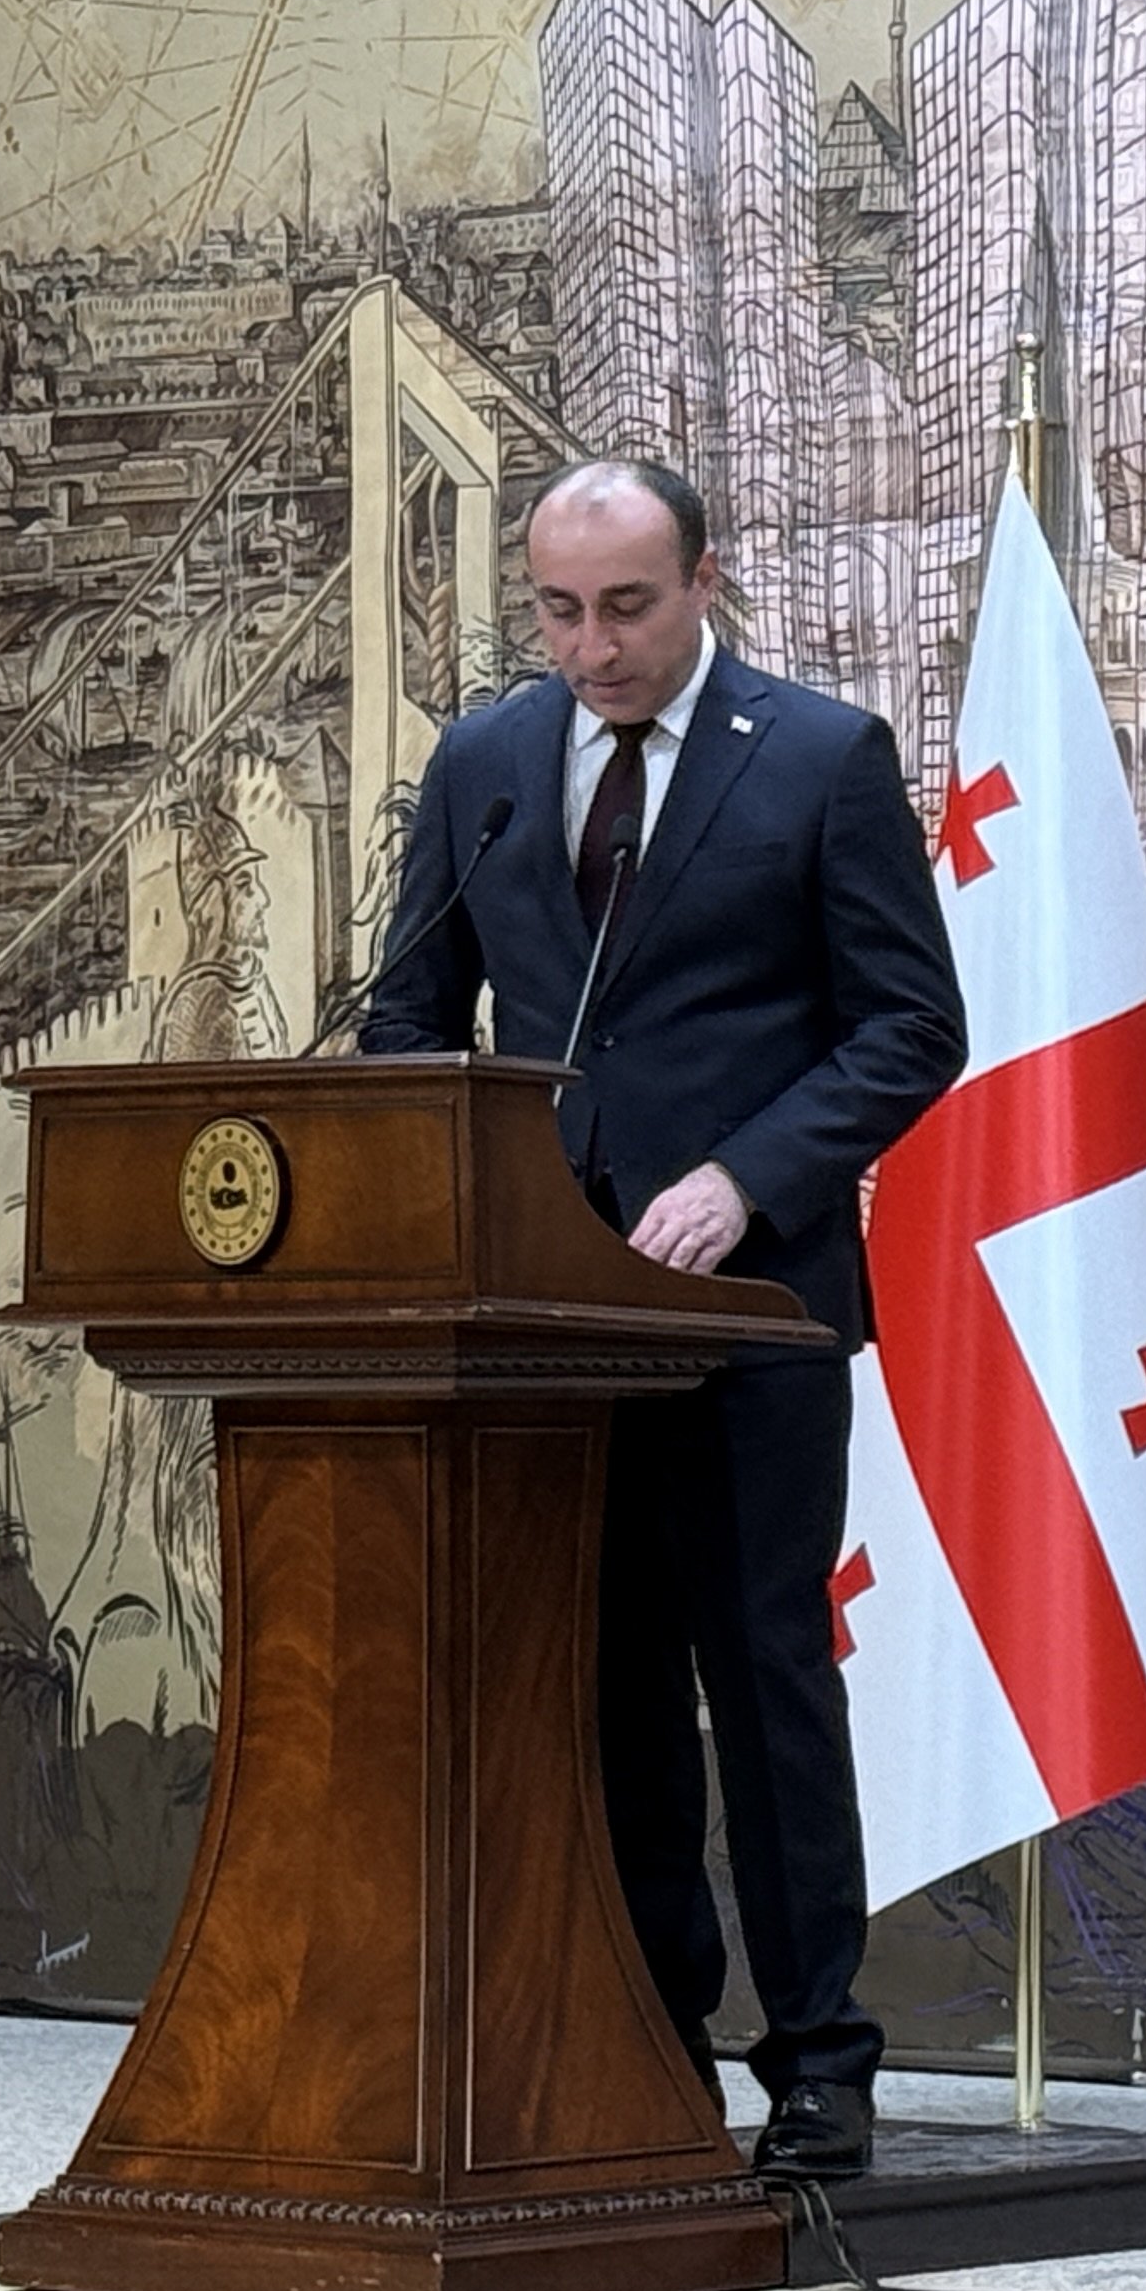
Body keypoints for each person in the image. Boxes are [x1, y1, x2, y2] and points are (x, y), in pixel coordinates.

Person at [365, 459, 965, 2177]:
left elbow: (912, 1028)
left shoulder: (823, 760)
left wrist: (748, 1176)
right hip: (550, 1320)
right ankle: (646, 2041)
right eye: (559, 611)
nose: (593, 647)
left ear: (704, 579)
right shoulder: (484, 768)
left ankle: (823, 2064)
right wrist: (477, 1190)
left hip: (753, 1309)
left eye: (627, 607)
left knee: (761, 1675)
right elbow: (410, 1022)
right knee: (607, 1685)